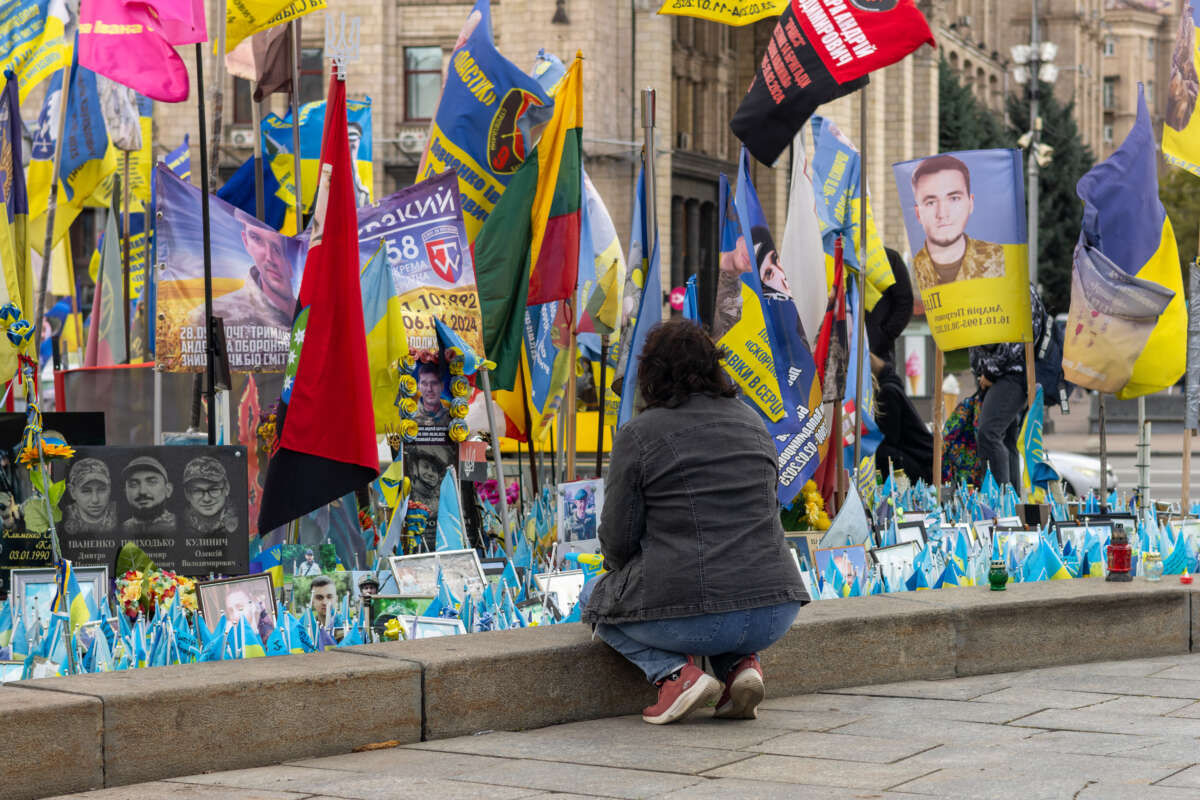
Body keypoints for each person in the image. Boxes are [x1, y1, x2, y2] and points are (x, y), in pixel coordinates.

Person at [581, 319, 807, 725]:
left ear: (651, 373)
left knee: (593, 597)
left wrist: (624, 576)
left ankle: (674, 676)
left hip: (693, 617)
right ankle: (740, 667)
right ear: (715, 366)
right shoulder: (754, 422)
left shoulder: (639, 433)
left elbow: (618, 541)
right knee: (723, 594)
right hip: (776, 611)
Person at [970, 284, 1047, 490]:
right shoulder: (1008, 285)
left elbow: (1018, 340)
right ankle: (1009, 501)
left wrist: (989, 372)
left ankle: (1001, 500)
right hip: (1002, 374)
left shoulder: (1018, 288)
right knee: (1005, 439)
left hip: (1010, 374)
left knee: (989, 434)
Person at [910, 154, 1005, 290]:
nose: (942, 214)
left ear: (970, 203)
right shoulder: (909, 270)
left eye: (954, 198)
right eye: (931, 202)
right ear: (918, 213)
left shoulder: (1000, 259)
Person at [188, 210, 294, 332]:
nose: (269, 257)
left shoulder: (307, 310)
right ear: (245, 240)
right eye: (257, 239)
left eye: (277, 249)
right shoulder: (215, 314)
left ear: (290, 267)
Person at [870, 354, 933, 483]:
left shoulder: (886, 393)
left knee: (876, 454)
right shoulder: (890, 385)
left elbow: (888, 439)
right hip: (918, 457)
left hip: (917, 462)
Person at [866, 248, 914, 365]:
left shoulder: (889, 258)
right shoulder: (835, 256)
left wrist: (884, 336)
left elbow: (905, 302)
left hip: (879, 353)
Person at [182, 457, 237, 534]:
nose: (206, 499)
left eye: (213, 490)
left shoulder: (240, 520)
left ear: (227, 488)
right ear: (187, 494)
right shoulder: (179, 524)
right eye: (197, 491)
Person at [121, 456, 175, 535]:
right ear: (125, 492)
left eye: (152, 482)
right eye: (133, 484)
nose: (142, 491)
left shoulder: (181, 526)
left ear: (168, 490)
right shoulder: (121, 530)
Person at [64, 458, 117, 535]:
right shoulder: (64, 516)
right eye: (86, 491)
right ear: (72, 492)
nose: (95, 500)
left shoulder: (120, 514)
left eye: (101, 490)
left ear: (110, 488)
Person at [414, 362, 450, 428]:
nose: (429, 389)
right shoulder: (409, 417)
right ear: (418, 386)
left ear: (442, 386)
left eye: (434, 383)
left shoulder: (451, 417)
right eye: (424, 384)